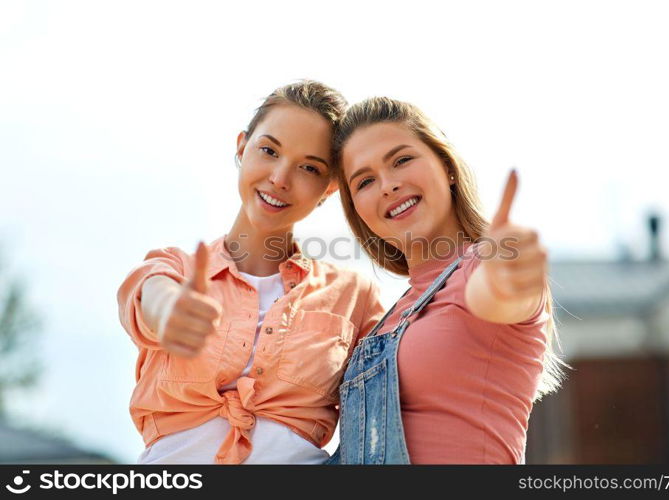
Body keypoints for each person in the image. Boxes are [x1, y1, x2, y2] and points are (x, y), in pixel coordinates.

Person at [117, 81, 384, 464]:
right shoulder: (175, 268)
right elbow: (150, 296)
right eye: (269, 150)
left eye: (309, 167)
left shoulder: (354, 295)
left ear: (329, 187)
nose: (280, 177)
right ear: (242, 147)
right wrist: (171, 312)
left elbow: (397, 399)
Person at [328, 97, 568, 464]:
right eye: (365, 181)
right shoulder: (384, 323)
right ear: (357, 211)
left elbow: (496, 293)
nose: (388, 185)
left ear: (447, 167)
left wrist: (507, 272)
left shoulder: (479, 269)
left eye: (402, 160)